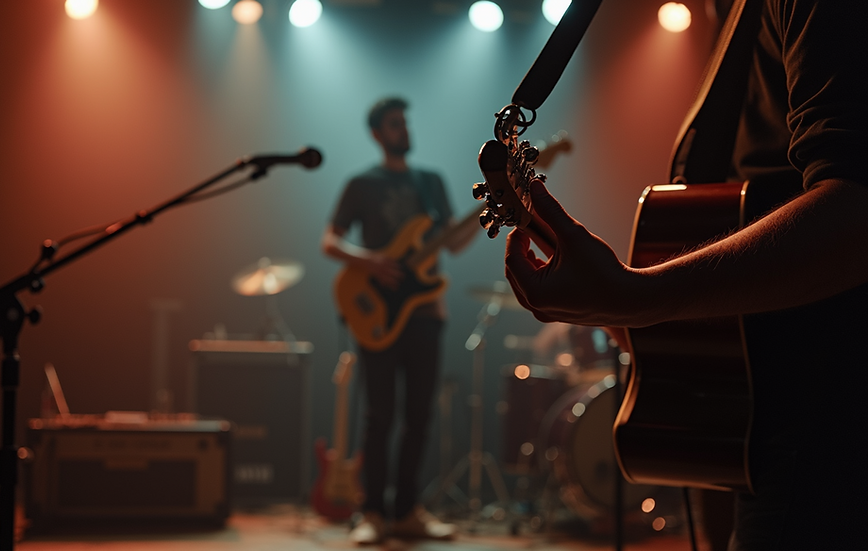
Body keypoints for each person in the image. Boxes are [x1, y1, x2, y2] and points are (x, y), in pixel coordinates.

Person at [503, 1, 866, 549]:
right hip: (756, 420)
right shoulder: (735, 14)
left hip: (825, 424)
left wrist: (644, 296)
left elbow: (857, 212)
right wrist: (642, 311)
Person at [322, 97, 479, 544]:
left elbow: (455, 243)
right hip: (377, 312)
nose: (404, 130)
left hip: (426, 314)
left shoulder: (431, 182)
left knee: (419, 415)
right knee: (379, 415)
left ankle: (407, 510)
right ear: (376, 133)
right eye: (394, 124)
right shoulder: (361, 184)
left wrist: (492, 211)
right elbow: (329, 241)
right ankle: (371, 511)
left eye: (405, 123)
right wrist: (369, 261)